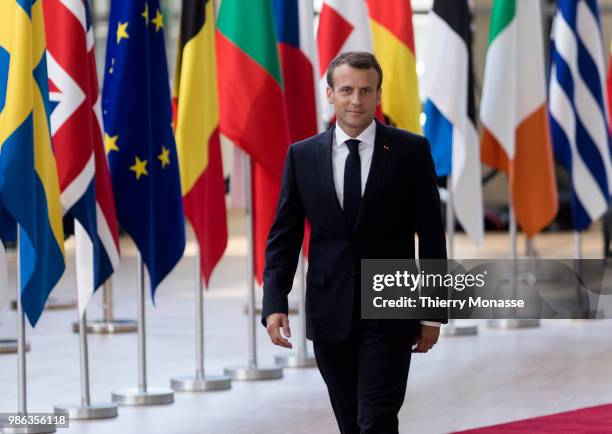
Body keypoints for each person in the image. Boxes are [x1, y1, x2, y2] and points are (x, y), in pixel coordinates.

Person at [261, 51, 447, 434]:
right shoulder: (302, 156)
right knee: (350, 422)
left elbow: (431, 235)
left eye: (366, 90)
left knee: (375, 419)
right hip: (330, 309)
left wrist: (432, 310)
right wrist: (274, 301)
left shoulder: (411, 151)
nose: (356, 100)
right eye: (346, 90)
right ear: (329, 94)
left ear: (379, 94)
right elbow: (285, 236)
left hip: (391, 304)